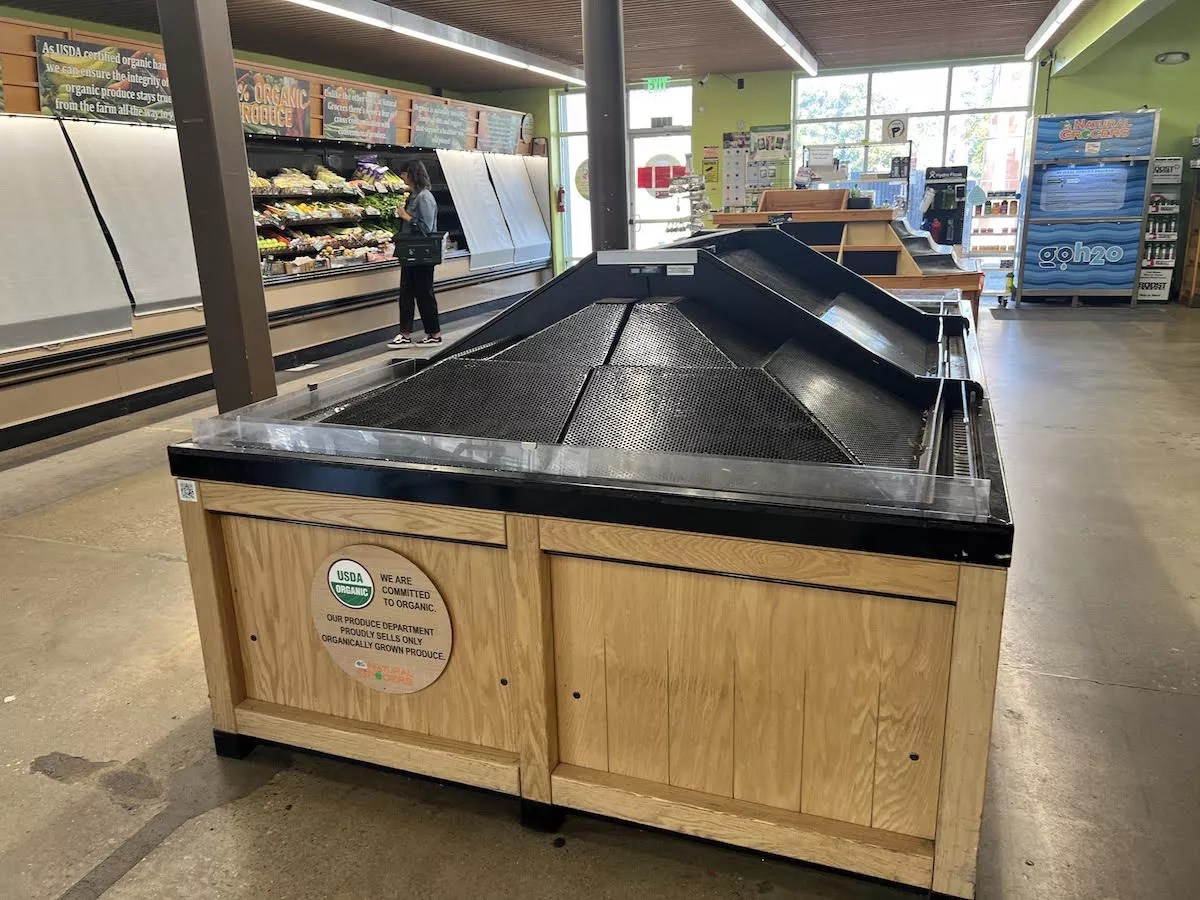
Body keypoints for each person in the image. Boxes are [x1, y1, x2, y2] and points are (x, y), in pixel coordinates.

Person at [388, 161, 441, 347]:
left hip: (423, 255)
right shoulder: (414, 196)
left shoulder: (424, 197)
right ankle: (405, 334)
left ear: (412, 174)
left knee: (424, 294)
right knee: (407, 294)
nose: (402, 177)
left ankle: (434, 334)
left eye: (404, 174)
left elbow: (426, 227)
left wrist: (405, 216)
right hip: (410, 253)